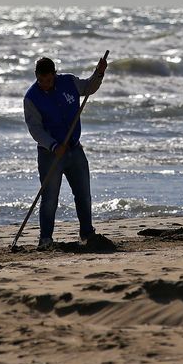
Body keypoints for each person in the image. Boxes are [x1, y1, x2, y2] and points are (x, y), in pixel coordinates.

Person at [23, 53, 108, 248]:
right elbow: (35, 129)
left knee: (83, 194)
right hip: (49, 154)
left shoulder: (68, 82)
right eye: (41, 80)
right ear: (36, 76)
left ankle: (87, 233)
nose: (45, 83)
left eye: (49, 79)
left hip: (74, 149)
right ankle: (45, 239)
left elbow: (88, 87)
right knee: (50, 198)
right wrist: (53, 145)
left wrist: (99, 73)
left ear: (54, 74)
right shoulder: (31, 98)